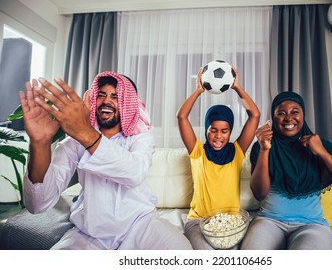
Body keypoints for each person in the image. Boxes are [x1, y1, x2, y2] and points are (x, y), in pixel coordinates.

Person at [19, 71, 193, 250]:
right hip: (90, 234)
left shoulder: (140, 137)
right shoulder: (74, 142)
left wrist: (84, 132)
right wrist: (40, 143)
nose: (106, 101)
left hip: (140, 225)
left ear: (127, 104)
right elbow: (38, 204)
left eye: (116, 96)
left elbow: (134, 173)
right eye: (101, 95)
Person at [240, 91, 332, 250]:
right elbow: (259, 193)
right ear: (273, 117)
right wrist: (264, 150)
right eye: (281, 113)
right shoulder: (261, 145)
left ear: (303, 115)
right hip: (269, 221)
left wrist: (322, 153)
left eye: (295, 112)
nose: (288, 118)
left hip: (311, 225)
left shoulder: (323, 146)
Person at [176, 66, 260, 249]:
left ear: (230, 131)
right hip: (198, 222)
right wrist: (198, 90)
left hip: (231, 223)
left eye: (224, 131)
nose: (218, 136)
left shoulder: (237, 152)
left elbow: (255, 115)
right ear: (206, 129)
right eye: (213, 130)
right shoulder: (197, 152)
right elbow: (181, 117)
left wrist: (237, 88)